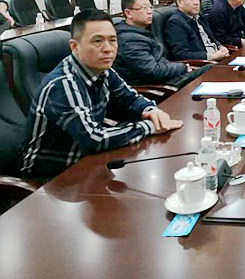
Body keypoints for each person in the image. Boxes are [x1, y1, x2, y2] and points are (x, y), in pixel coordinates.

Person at [20, 10, 183, 180]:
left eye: (112, 40)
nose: (108, 49)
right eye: (97, 41)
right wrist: (148, 127)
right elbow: (93, 139)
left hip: (88, 162)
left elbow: (130, 98)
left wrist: (151, 110)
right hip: (51, 178)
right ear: (75, 47)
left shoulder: (103, 70)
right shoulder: (63, 84)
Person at [114, 0, 190, 85]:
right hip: (160, 87)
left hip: (169, 78)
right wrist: (182, 67)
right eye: (144, 8)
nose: (150, 12)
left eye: (150, 7)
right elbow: (153, 71)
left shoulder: (141, 32)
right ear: (128, 13)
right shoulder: (129, 40)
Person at [165, 0, 230, 61]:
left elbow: (211, 39)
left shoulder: (200, 17)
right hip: (204, 63)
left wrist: (220, 46)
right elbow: (181, 54)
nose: (196, 3)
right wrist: (211, 56)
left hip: (218, 58)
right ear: (179, 2)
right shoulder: (176, 23)